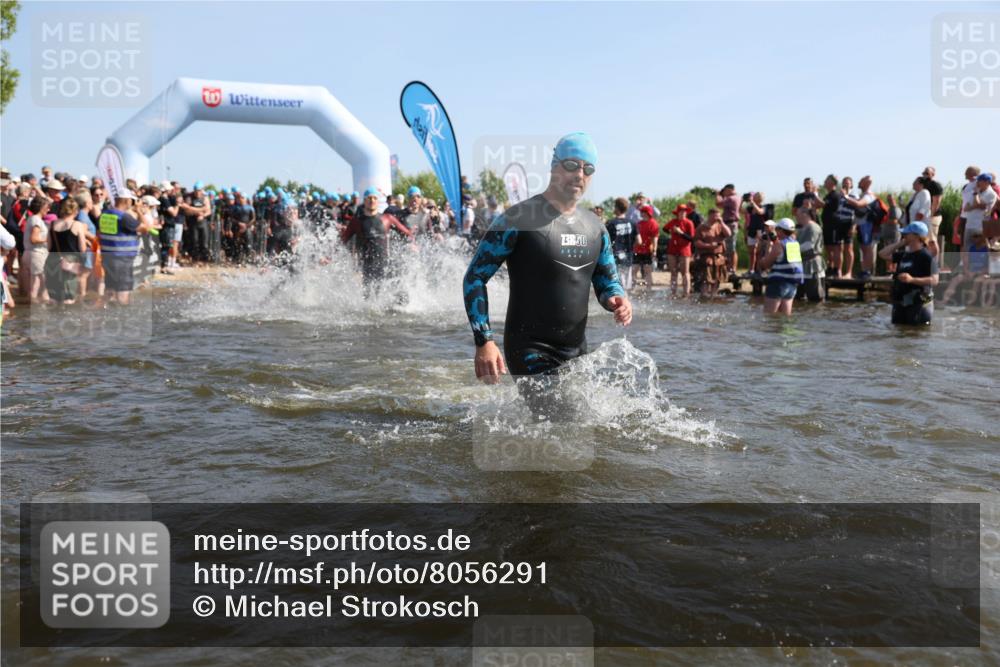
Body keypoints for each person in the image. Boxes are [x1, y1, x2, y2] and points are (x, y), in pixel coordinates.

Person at [462, 132, 632, 413]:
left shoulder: (595, 227)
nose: (579, 174)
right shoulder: (518, 219)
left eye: (588, 168)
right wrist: (484, 341)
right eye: (571, 165)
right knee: (563, 419)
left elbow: (607, 281)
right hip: (530, 349)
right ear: (554, 167)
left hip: (577, 352)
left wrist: (617, 300)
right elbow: (475, 277)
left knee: (580, 423)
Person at [341, 187, 414, 298]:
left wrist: (411, 243)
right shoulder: (356, 221)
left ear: (378, 201)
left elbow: (407, 234)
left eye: (375, 198)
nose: (372, 200)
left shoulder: (387, 218)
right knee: (370, 300)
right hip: (368, 268)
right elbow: (343, 241)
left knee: (401, 297)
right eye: (369, 198)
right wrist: (329, 257)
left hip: (386, 264)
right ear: (365, 201)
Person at [879, 221, 938, 325]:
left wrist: (912, 279)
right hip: (901, 302)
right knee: (899, 331)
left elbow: (935, 280)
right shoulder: (904, 255)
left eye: (907, 233)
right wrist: (899, 244)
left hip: (919, 304)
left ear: (916, 236)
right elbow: (882, 254)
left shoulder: (926, 257)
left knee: (915, 332)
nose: (904, 234)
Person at [98, 189, 150, 305]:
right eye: (132, 201)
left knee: (110, 288)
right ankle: (122, 313)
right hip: (122, 258)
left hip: (107, 256)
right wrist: (139, 211)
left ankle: (106, 312)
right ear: (127, 201)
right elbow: (146, 228)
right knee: (123, 291)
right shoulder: (124, 217)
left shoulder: (104, 214)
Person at [44, 198, 88, 304]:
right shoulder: (77, 225)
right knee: (68, 298)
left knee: (53, 298)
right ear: (76, 211)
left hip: (52, 261)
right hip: (69, 262)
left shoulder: (52, 224)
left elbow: (49, 247)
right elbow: (82, 248)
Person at [758, 218, 804, 315]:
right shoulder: (795, 244)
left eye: (777, 229)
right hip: (792, 285)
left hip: (778, 284)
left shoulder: (779, 245)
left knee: (769, 317)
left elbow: (766, 264)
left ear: (780, 230)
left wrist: (768, 244)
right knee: (785, 318)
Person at [940, 231, 989, 306]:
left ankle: (970, 302)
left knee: (977, 281)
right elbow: (966, 263)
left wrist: (977, 273)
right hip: (970, 273)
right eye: (973, 236)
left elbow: (988, 267)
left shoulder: (987, 249)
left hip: (982, 274)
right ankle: (944, 300)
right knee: (956, 279)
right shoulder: (972, 248)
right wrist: (967, 271)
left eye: (977, 236)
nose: (974, 238)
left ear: (982, 237)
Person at [691, 209, 731, 297]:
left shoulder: (720, 226)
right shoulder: (701, 227)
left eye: (719, 216)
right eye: (716, 216)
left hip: (718, 257)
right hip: (706, 257)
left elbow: (728, 234)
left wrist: (722, 223)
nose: (718, 218)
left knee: (717, 279)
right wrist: (709, 246)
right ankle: (704, 296)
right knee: (706, 279)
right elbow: (697, 242)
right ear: (710, 215)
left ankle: (714, 296)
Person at [845, 175, 876, 279]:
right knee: (863, 248)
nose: (858, 182)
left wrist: (846, 197)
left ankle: (867, 271)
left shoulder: (868, 195)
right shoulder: (863, 194)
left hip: (866, 224)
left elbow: (859, 204)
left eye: (861, 181)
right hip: (861, 224)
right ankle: (864, 270)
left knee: (867, 248)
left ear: (867, 183)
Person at [24, 197, 53, 304]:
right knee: (40, 282)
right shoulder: (36, 220)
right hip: (36, 254)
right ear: (41, 207)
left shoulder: (33, 219)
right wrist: (48, 239)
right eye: (47, 207)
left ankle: (36, 303)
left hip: (31, 253)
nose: (49, 209)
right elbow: (34, 239)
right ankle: (40, 304)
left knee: (36, 282)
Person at [794, 207, 826, 302]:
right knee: (799, 298)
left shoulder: (813, 227)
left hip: (813, 266)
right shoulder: (802, 228)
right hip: (802, 265)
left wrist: (789, 249)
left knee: (815, 298)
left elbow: (809, 246)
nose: (796, 217)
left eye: (798, 214)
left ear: (805, 214)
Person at [664, 204, 695, 296]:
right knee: (673, 272)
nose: (683, 213)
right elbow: (665, 229)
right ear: (677, 213)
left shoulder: (689, 223)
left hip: (684, 249)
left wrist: (681, 233)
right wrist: (671, 231)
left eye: (684, 211)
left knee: (685, 272)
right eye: (681, 211)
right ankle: (673, 293)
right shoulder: (673, 221)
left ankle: (686, 293)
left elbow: (691, 238)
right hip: (672, 249)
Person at [605, 197, 636, 291]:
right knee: (626, 285)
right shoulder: (632, 223)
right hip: (628, 257)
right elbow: (639, 241)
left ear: (617, 208)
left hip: (615, 257)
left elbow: (605, 240)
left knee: (618, 285)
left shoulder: (611, 223)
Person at [179, 181, 211, 263]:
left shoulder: (205, 197)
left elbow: (208, 210)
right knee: (194, 242)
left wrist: (203, 215)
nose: (197, 193)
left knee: (204, 243)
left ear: (202, 190)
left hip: (203, 222)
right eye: (196, 191)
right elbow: (187, 211)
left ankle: (204, 260)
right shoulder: (189, 197)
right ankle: (195, 259)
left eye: (199, 191)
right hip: (193, 222)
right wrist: (199, 211)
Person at [632, 205, 659, 295]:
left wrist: (654, 250)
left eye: (643, 212)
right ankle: (633, 288)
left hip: (648, 251)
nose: (641, 213)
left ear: (648, 213)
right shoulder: (639, 223)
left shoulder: (653, 223)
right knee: (634, 270)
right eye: (641, 212)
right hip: (637, 250)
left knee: (647, 271)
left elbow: (655, 239)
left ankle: (649, 289)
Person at [715, 184, 740, 276]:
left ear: (729, 189)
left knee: (730, 248)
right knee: (730, 247)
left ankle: (732, 268)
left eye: (725, 191)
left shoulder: (731, 198)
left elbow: (718, 204)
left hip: (730, 224)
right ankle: (731, 268)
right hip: (731, 223)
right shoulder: (737, 197)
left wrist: (718, 195)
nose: (724, 193)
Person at [923, 166, 945, 241]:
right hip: (926, 216)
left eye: (927, 173)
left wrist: (931, 215)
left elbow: (936, 202)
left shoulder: (935, 185)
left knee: (931, 239)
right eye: (924, 173)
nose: (925, 175)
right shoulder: (924, 185)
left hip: (933, 216)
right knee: (925, 239)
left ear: (933, 174)